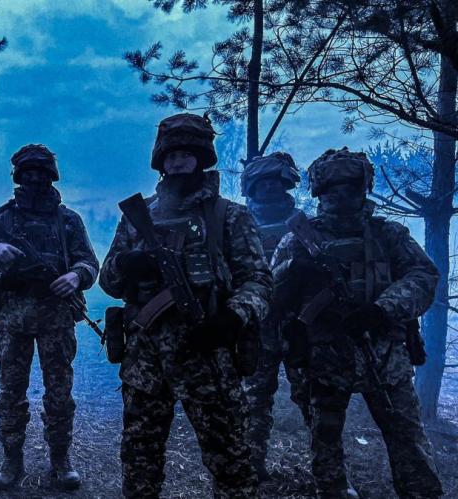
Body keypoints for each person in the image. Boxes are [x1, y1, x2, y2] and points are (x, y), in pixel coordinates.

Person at [99, 113, 272, 498]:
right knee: (139, 457)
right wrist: (125, 265)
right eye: (171, 155)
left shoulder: (230, 215)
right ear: (160, 160)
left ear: (201, 158)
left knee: (230, 459)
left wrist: (233, 317)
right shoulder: (137, 217)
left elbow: (259, 280)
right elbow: (107, 282)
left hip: (209, 356)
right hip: (145, 359)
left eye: (186, 154)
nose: (178, 162)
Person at [272, 147, 443, 498]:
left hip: (384, 357)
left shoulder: (388, 234)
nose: (341, 196)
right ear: (319, 192)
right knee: (325, 442)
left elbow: (424, 276)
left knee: (408, 442)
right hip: (323, 359)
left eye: (349, 187)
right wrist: (291, 272)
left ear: (363, 188)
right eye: (332, 189)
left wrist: (382, 309)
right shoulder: (299, 240)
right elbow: (270, 292)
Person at [0, 144, 99, 491]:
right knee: (10, 393)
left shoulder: (68, 220)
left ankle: (61, 459)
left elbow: (89, 262)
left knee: (60, 394)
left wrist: (75, 276)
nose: (34, 179)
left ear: (51, 176)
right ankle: (11, 460)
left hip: (56, 319)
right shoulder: (2, 218)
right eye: (27, 173)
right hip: (13, 320)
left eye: (40, 173)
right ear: (18, 176)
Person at [240, 152, 311, 479]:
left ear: (286, 184)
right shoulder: (237, 225)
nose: (269, 188)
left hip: (301, 324)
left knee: (314, 399)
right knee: (253, 401)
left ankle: (329, 469)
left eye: (275, 182)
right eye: (262, 183)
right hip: (254, 325)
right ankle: (251, 466)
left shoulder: (305, 225)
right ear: (252, 188)